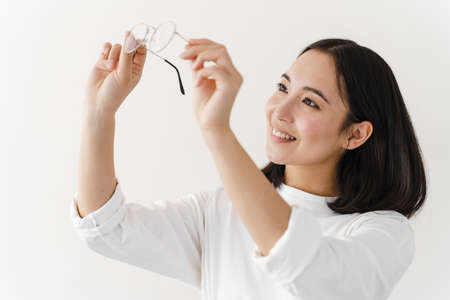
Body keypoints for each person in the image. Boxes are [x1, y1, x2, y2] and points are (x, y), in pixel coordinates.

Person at [69, 30, 427, 299]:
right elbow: (106, 230)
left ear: (356, 134)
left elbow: (309, 271)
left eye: (310, 103)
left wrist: (217, 132)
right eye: (283, 88)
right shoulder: (221, 211)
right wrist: (99, 113)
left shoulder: (384, 234)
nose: (280, 111)